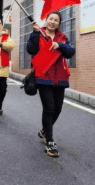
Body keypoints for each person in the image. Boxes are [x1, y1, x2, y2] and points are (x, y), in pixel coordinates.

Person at [27, 11, 75, 157]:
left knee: (58, 109)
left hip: (60, 78)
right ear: (46, 20)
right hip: (43, 77)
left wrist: (59, 45)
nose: (53, 22)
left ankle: (44, 131)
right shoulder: (38, 33)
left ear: (59, 24)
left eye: (56, 20)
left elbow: (71, 52)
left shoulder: (62, 38)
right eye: (51, 19)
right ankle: (50, 141)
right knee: (49, 108)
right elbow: (31, 49)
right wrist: (35, 34)